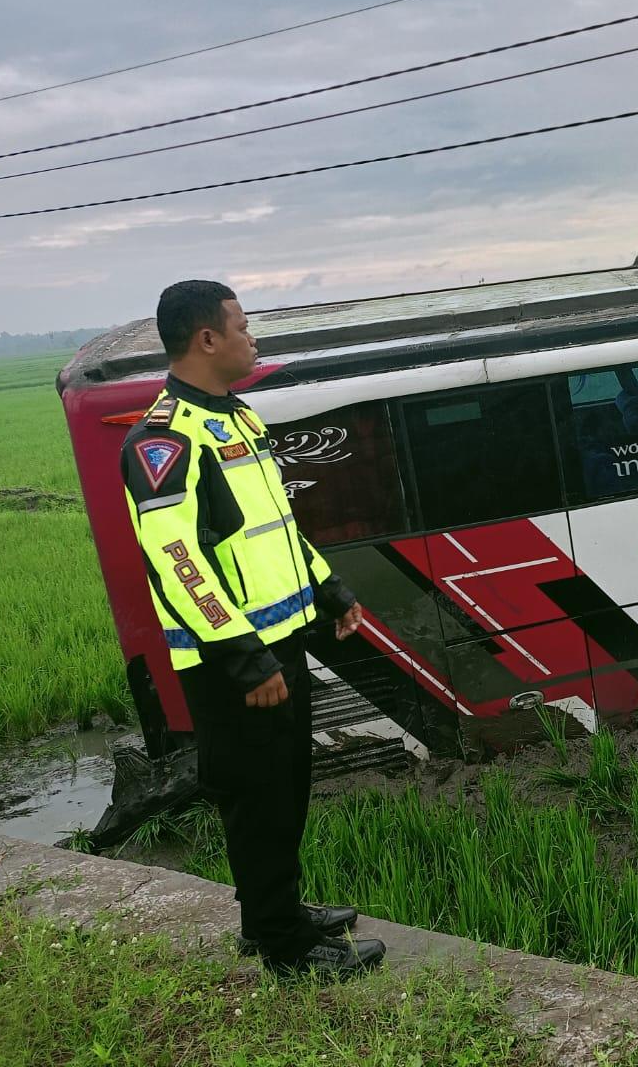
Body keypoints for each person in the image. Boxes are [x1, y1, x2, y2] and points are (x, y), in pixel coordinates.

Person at [120, 280, 385, 977]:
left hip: (280, 643)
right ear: (207, 339)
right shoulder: (163, 441)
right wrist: (245, 657)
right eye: (242, 326)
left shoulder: (237, 418)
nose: (253, 337)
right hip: (232, 662)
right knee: (258, 798)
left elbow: (276, 529)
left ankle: (273, 912)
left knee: (285, 790)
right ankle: (284, 949)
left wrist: (329, 590)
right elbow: (176, 560)